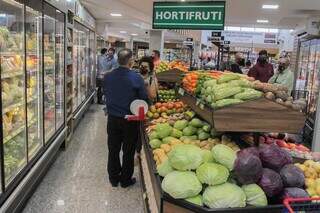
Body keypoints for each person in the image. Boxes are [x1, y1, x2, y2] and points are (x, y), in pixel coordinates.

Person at [103, 48, 148, 188]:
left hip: (112, 119)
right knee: (128, 151)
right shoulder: (136, 78)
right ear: (131, 61)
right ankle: (125, 180)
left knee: (113, 149)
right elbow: (144, 99)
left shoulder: (108, 76)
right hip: (130, 120)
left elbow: (106, 93)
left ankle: (113, 178)